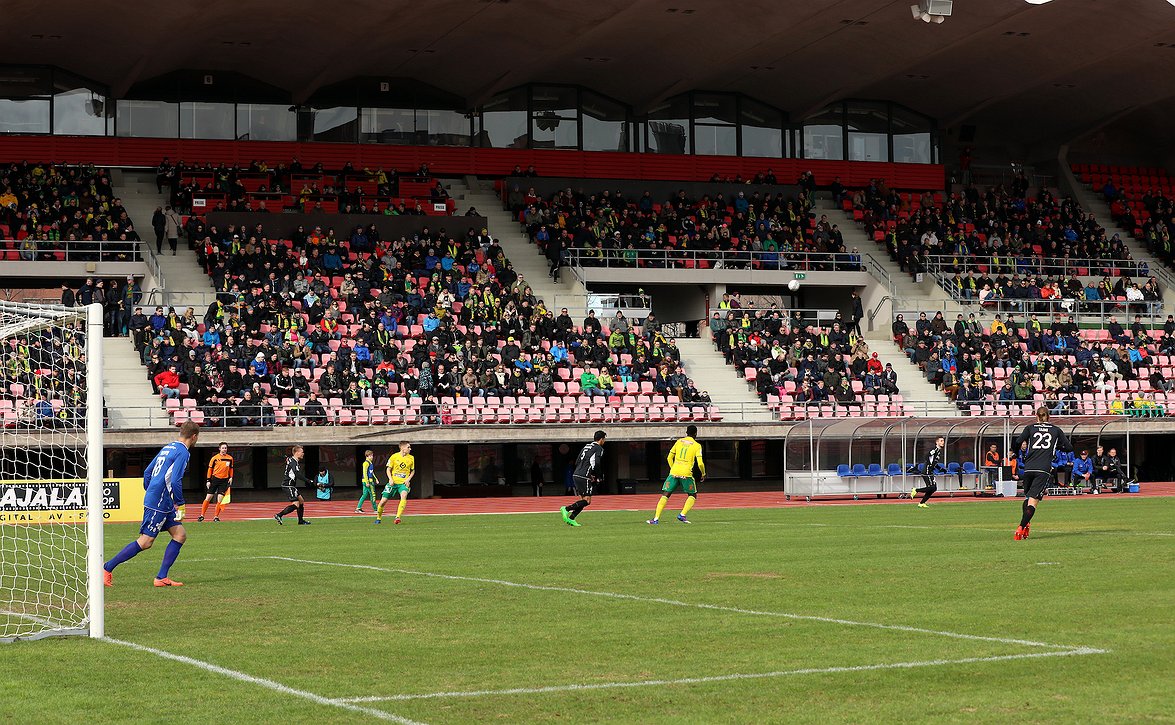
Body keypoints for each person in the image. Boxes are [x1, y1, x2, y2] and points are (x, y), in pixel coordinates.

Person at [103, 421, 199, 587]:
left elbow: (148, 472)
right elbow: (176, 479)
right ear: (194, 436)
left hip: (161, 499)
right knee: (146, 541)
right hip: (160, 500)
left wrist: (152, 489)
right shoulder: (183, 452)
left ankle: (161, 577)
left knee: (180, 535)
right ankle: (106, 568)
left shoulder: (168, 447)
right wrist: (180, 503)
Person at [1010, 407, 1073, 540]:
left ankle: (1026, 524)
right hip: (1043, 469)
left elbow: (1017, 441)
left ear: (1036, 416)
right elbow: (1069, 447)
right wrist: (1055, 447)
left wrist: (1015, 452)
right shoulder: (1055, 430)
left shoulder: (1030, 428)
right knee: (1033, 501)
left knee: (1028, 497)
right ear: (1048, 416)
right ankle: (1021, 527)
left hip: (1028, 468)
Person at [648, 424, 705, 525]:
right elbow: (700, 463)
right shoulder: (697, 445)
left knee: (666, 494)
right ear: (696, 433)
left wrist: (673, 468)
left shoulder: (679, 442)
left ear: (686, 432)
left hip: (674, 472)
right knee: (692, 495)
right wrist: (703, 473)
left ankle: (656, 519)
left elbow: (669, 457)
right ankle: (682, 514)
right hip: (686, 473)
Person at [562, 430, 605, 526]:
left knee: (583, 500)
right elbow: (597, 463)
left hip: (576, 474)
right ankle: (566, 509)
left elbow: (577, 461)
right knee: (587, 501)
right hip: (583, 476)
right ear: (601, 439)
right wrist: (598, 476)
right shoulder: (599, 448)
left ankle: (571, 518)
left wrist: (589, 474)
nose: (604, 441)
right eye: (604, 439)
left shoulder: (586, 446)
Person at [274, 445, 313, 525]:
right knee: (296, 504)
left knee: (301, 501)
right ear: (297, 452)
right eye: (302, 452)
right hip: (288, 485)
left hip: (291, 486)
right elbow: (297, 474)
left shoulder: (292, 460)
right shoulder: (293, 462)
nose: (303, 454)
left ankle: (300, 521)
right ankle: (279, 515)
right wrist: (308, 480)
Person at [377, 441, 414, 524]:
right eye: (408, 447)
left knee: (404, 496)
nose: (410, 449)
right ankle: (378, 518)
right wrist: (390, 479)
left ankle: (397, 517)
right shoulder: (394, 457)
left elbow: (412, 471)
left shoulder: (411, 458)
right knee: (383, 502)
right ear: (403, 448)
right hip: (393, 483)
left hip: (403, 484)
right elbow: (388, 469)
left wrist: (408, 479)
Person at [198, 442, 233, 522]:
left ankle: (216, 517)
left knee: (220, 499)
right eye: (223, 448)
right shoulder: (214, 458)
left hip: (224, 480)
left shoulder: (230, 458)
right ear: (219, 449)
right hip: (215, 479)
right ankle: (202, 515)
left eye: (225, 448)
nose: (224, 449)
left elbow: (231, 468)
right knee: (208, 497)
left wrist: (231, 477)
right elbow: (210, 469)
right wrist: (208, 480)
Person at [910, 436, 944, 508]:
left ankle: (922, 503)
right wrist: (929, 464)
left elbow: (934, 462)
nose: (942, 442)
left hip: (930, 471)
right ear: (937, 442)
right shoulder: (934, 450)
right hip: (927, 471)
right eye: (941, 441)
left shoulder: (938, 451)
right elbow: (926, 456)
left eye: (943, 441)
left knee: (933, 488)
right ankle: (916, 490)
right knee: (932, 488)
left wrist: (940, 468)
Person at [356, 449, 379, 513]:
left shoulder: (370, 463)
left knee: (364, 495)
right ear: (367, 456)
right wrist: (367, 482)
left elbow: (371, 472)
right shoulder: (366, 463)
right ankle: (376, 509)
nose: (372, 457)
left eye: (372, 455)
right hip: (368, 481)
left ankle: (358, 508)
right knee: (373, 494)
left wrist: (376, 478)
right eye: (370, 456)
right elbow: (365, 473)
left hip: (368, 481)